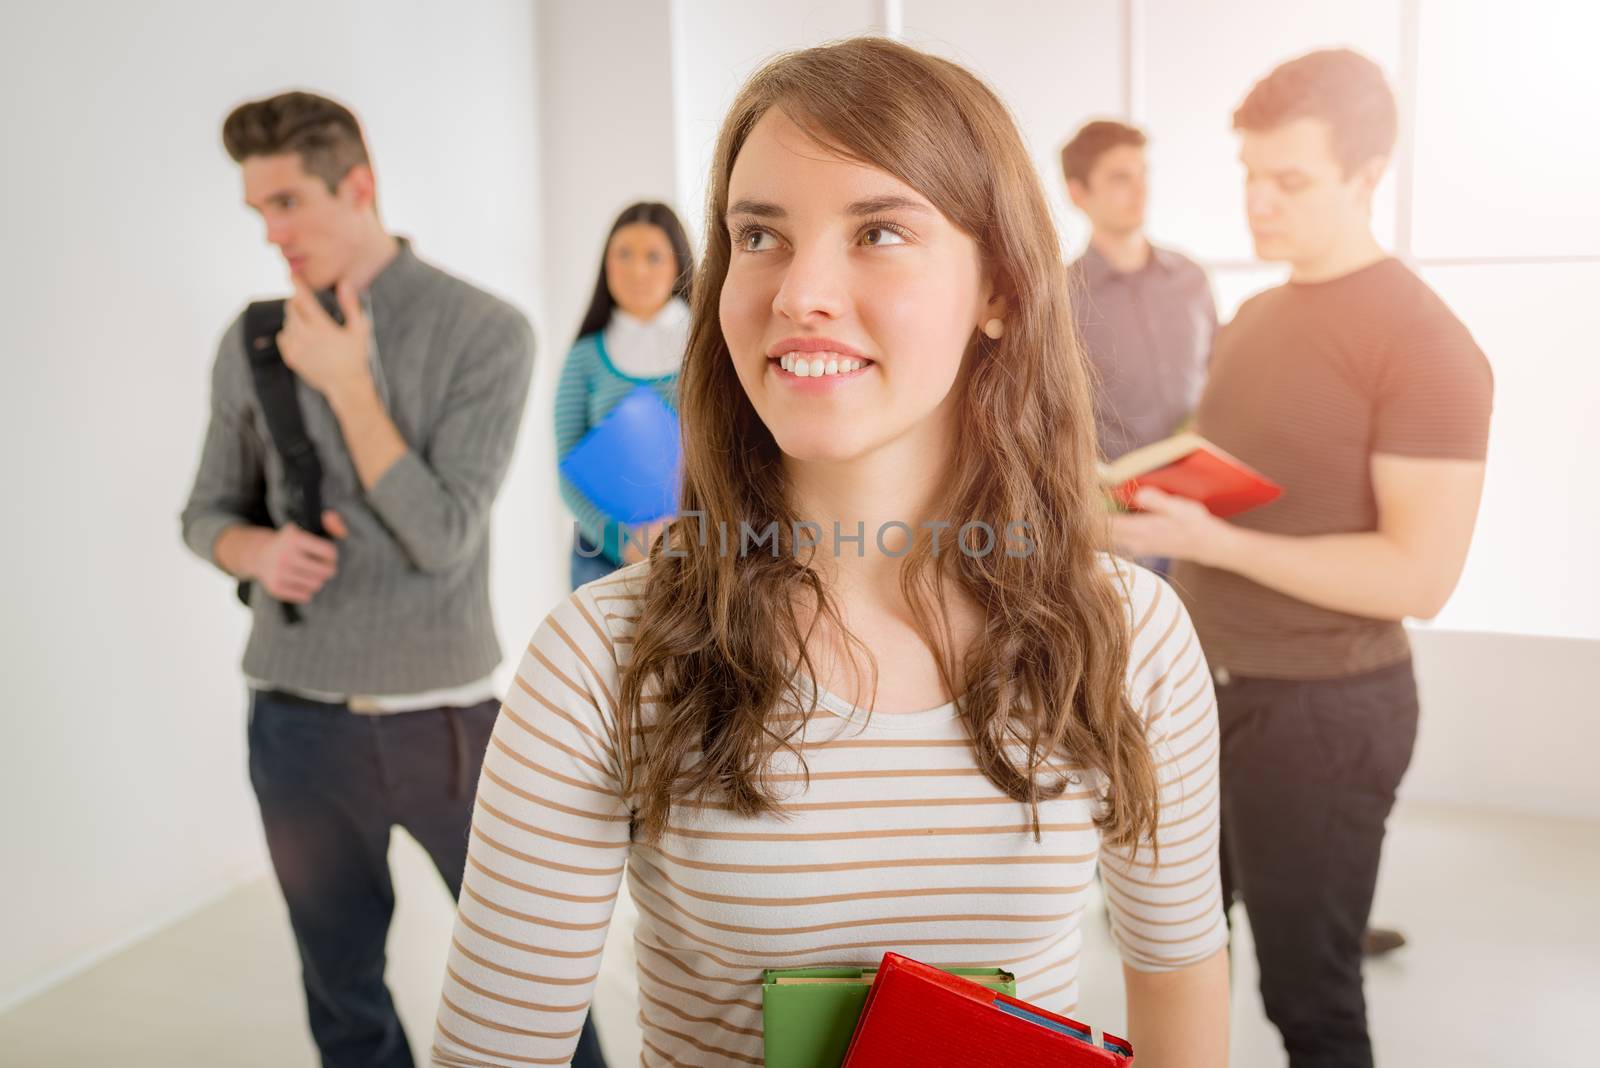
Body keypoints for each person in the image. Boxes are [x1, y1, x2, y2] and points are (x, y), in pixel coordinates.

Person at [432, 38, 1228, 1068]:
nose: (799, 291)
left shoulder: (1130, 635)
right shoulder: (597, 660)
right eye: (758, 234)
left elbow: (1178, 985)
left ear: (997, 289)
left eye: (880, 231)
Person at [1112, 49, 1493, 1068]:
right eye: (1247, 174)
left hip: (1321, 713)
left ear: (1367, 176)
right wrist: (1126, 503)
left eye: (1289, 181)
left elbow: (1417, 577)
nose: (1258, 202)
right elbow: (1224, 467)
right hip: (1205, 691)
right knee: (1174, 953)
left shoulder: (1425, 343)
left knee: (1308, 1003)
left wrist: (1211, 542)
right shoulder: (1254, 317)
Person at [178, 91, 555, 1068]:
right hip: (298, 722)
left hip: (449, 722)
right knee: (342, 997)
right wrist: (251, 552)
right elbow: (205, 512)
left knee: (531, 982)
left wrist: (348, 382)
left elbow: (443, 534)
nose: (273, 233)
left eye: (289, 203)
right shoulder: (253, 339)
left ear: (360, 188)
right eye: (258, 211)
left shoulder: (487, 332)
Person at [555, 202, 694, 589]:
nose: (637, 270)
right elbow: (567, 472)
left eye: (653, 256)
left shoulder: (709, 348)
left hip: (700, 547)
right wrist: (624, 542)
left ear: (678, 263)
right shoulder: (584, 358)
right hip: (601, 557)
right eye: (624, 255)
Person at [1064, 120, 1217, 470]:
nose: (1140, 190)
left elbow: (1219, 370)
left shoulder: (1191, 278)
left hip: (1204, 480)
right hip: (1112, 498)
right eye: (1121, 178)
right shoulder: (1059, 297)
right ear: (1078, 194)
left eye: (1143, 173)